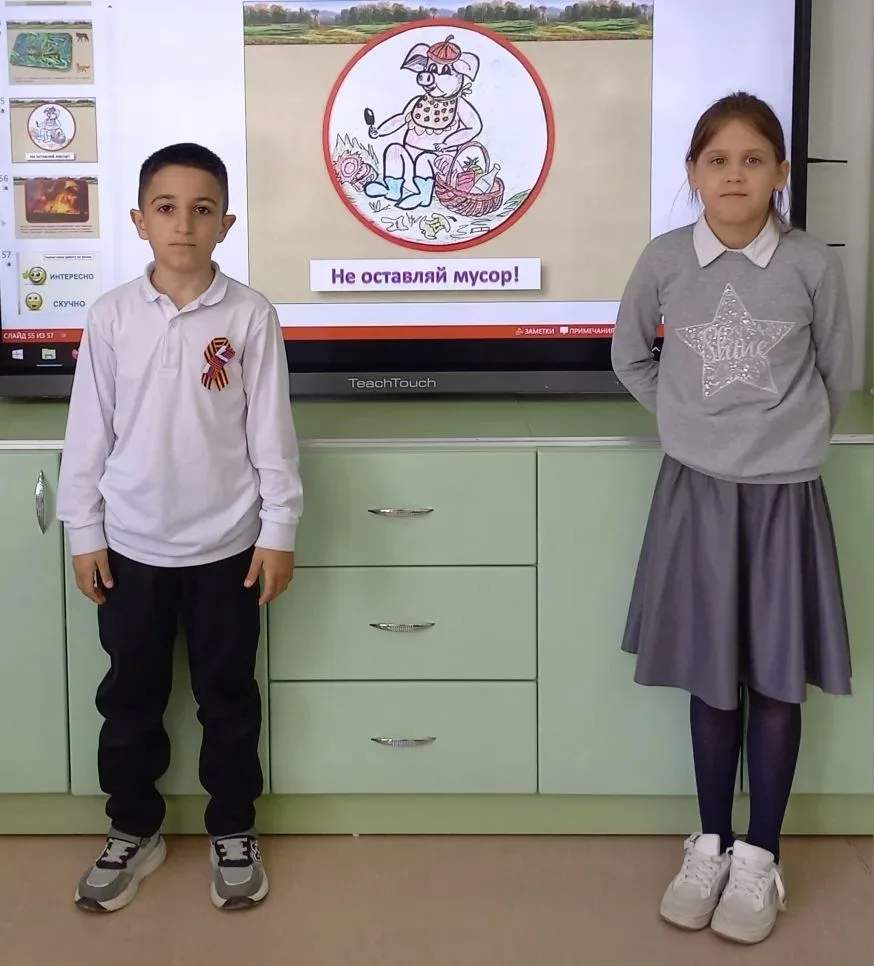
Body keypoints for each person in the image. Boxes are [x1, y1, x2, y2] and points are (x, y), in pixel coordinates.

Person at [611, 92, 852, 945]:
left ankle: (761, 855)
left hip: (785, 498)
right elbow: (630, 355)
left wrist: (783, 438)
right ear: (693, 173)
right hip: (697, 494)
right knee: (713, 677)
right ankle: (710, 843)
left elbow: (840, 372)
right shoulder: (666, 259)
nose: (735, 175)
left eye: (754, 160)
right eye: (717, 161)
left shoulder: (812, 265)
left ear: (781, 172)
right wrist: (687, 423)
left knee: (777, 680)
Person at [57, 142, 302, 912]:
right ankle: (134, 828)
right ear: (139, 220)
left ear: (226, 223)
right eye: (167, 208)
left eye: (202, 210)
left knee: (228, 700)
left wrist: (279, 529)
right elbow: (87, 436)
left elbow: (270, 433)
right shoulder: (111, 317)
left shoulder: (250, 314)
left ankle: (233, 828)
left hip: (229, 551)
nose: (184, 225)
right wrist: (83, 533)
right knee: (130, 699)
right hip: (129, 550)